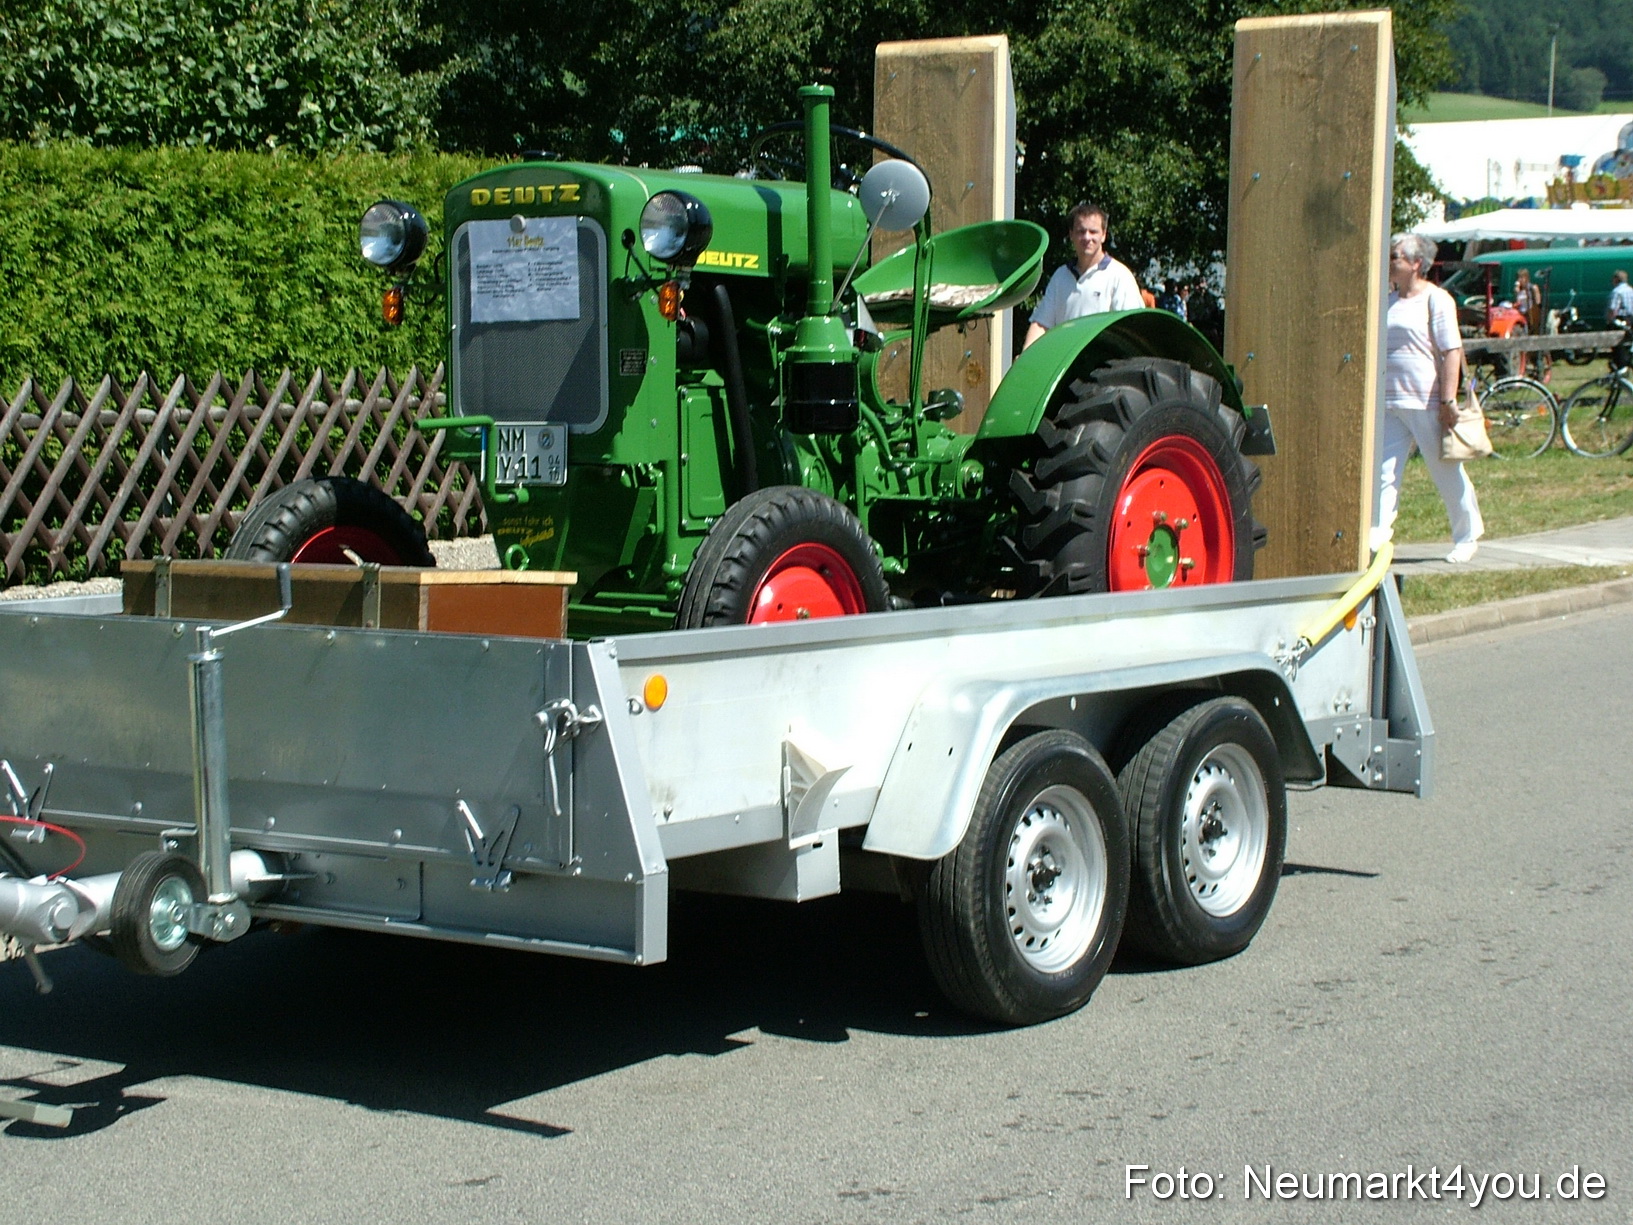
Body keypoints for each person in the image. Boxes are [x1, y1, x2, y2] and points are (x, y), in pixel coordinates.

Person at [1374, 233, 1484, 564]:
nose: (1390, 261)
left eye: (1395, 256)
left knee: (1445, 470)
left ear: (1416, 263)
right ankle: (1377, 538)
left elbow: (1452, 351)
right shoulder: (1388, 301)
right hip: (1390, 401)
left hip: (1426, 401)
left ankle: (1467, 536)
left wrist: (1447, 400)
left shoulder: (1437, 299)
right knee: (1383, 474)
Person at [1023, 202, 1143, 349]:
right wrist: (1026, 355)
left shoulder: (1120, 276)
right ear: (1071, 234)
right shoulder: (1060, 276)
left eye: (1093, 232)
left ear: (1104, 235)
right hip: (1065, 360)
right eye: (1081, 231)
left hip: (1103, 361)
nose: (1087, 237)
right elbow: (1041, 324)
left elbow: (1132, 331)